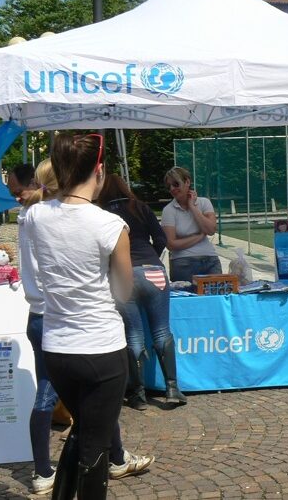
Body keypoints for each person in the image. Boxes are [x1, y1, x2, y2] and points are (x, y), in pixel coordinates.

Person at [23, 135, 153, 499]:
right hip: (101, 349)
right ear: (98, 171)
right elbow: (124, 290)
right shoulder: (110, 225)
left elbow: (34, 276)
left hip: (57, 347)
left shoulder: (36, 216)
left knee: (83, 436)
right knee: (94, 448)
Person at [98, 174, 187, 409]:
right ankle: (172, 388)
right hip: (152, 271)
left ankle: (137, 394)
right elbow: (160, 239)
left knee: (134, 335)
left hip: (122, 274)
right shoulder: (140, 207)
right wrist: (150, 260)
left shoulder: (101, 214)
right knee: (161, 331)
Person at [9, 161, 63, 495]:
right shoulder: (46, 217)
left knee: (53, 388)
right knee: (86, 387)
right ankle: (43, 469)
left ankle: (44, 469)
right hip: (56, 315)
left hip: (40, 314)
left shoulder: (29, 217)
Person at [161, 167, 220, 282]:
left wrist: (192, 207)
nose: (172, 189)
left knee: (215, 298)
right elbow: (171, 244)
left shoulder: (204, 203)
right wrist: (199, 236)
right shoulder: (168, 210)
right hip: (183, 262)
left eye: (176, 184)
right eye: (169, 187)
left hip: (210, 260)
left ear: (187, 182)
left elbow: (211, 229)